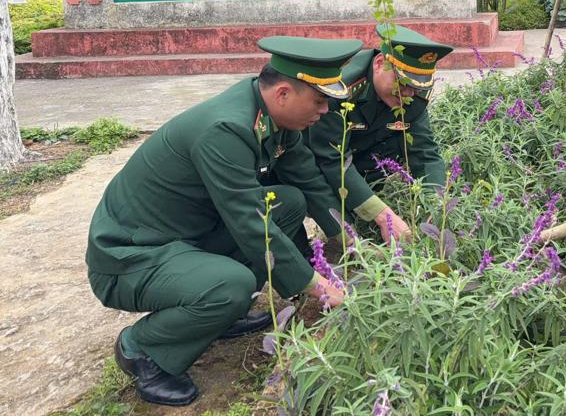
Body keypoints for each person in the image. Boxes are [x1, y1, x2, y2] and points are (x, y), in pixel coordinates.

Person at [85, 36, 363, 406]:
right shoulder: (225, 129)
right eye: (319, 101)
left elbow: (308, 183)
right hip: (131, 256)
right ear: (283, 93)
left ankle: (217, 315)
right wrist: (317, 285)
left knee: (289, 202)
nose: (325, 111)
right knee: (232, 285)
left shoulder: (272, 119)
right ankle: (143, 350)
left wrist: (348, 238)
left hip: (187, 234)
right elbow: (249, 220)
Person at [305, 25, 453, 244]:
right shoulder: (339, 90)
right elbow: (332, 160)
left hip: (373, 167)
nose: (408, 94)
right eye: (402, 83)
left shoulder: (412, 96)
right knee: (347, 237)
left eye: (415, 86)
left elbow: (425, 153)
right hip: (323, 170)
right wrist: (384, 217)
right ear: (379, 64)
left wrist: (435, 209)